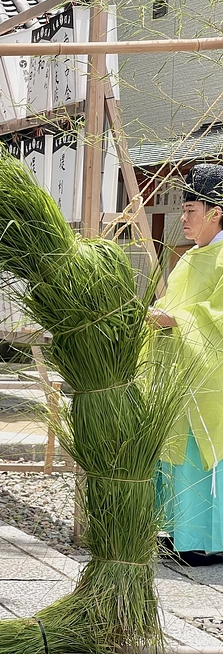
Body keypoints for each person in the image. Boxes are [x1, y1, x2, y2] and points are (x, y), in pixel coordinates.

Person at [150, 163, 223, 561]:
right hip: (182, 369)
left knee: (204, 453)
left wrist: (175, 319)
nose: (184, 219)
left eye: (190, 210)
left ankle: (210, 542)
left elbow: (218, 314)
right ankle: (181, 530)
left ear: (216, 212)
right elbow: (173, 303)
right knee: (179, 454)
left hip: (212, 377)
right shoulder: (190, 257)